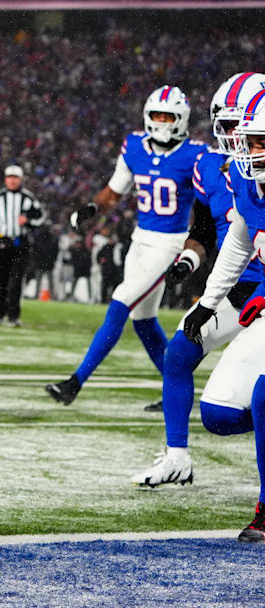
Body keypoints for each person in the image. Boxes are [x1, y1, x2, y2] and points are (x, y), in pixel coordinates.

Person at [131, 73, 265, 487]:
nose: (228, 135)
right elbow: (209, 232)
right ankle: (177, 457)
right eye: (222, 125)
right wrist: (190, 263)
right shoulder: (212, 167)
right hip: (234, 287)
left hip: (258, 289)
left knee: (251, 398)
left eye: (236, 126)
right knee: (177, 355)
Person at [46, 85, 209, 405]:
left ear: (181, 119)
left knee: (120, 300)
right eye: (157, 115)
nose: (162, 122)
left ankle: (74, 383)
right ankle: (176, 390)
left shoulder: (195, 155)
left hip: (169, 244)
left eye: (169, 116)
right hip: (140, 241)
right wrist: (92, 210)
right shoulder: (134, 146)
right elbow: (113, 193)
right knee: (143, 320)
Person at [177, 95, 265, 542]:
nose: (249, 152)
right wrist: (210, 302)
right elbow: (238, 241)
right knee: (219, 413)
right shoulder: (250, 183)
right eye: (249, 142)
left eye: (259, 142)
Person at [0, 165, 45, 327]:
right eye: (9, 177)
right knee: (1, 280)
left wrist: (28, 220)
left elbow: (40, 218)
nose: (12, 181)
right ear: (6, 179)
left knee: (16, 281)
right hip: (2, 243)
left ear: (20, 180)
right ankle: (1, 314)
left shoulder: (28, 198)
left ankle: (14, 316)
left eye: (15, 178)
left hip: (21, 244)